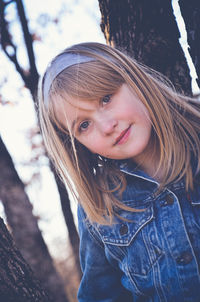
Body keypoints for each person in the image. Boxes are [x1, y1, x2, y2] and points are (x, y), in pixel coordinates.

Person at [38, 42, 200, 302]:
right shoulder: (99, 207)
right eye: (84, 125)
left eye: (105, 98)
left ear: (132, 79)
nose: (107, 126)